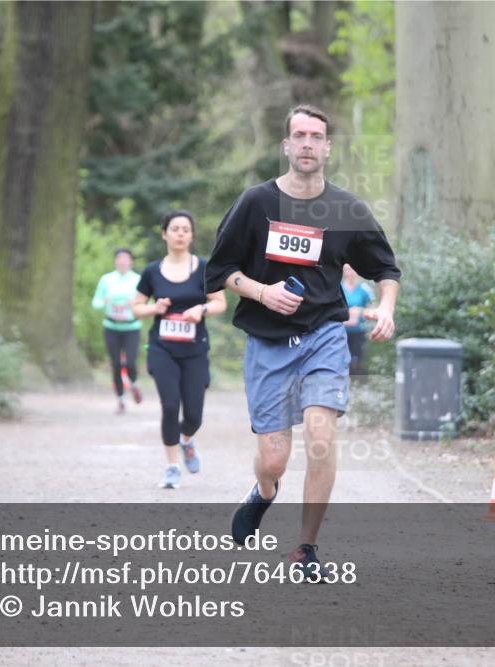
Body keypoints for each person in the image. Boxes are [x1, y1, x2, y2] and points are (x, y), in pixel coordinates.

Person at [205, 104, 400, 579]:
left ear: (327, 148)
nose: (308, 143)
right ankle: (264, 492)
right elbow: (220, 270)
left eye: (316, 136)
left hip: (324, 335)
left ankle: (305, 549)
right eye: (300, 135)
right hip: (268, 342)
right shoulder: (256, 203)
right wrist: (262, 292)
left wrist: (386, 307)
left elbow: (385, 268)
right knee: (274, 459)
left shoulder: (346, 209)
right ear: (286, 145)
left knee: (320, 438)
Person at [133, 210, 226, 489]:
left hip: (195, 350)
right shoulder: (152, 271)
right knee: (171, 405)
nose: (180, 234)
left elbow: (220, 302)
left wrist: (201, 310)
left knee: (194, 415)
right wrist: (155, 308)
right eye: (175, 229)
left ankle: (186, 440)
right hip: (162, 349)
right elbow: (136, 308)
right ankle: (172, 466)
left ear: (192, 235)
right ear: (165, 234)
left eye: (186, 229)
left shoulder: (204, 268)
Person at [91, 248, 143, 414]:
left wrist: (134, 304)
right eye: (119, 258)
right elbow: (96, 303)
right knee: (115, 365)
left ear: (131, 262)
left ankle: (134, 384)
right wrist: (104, 301)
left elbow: (146, 303)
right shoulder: (106, 279)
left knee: (130, 362)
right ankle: (120, 400)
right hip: (111, 327)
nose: (122, 261)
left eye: (126, 258)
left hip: (132, 327)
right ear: (115, 261)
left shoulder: (138, 280)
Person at [341, 263, 375, 375]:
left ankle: (355, 381)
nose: (350, 272)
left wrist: (359, 311)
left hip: (359, 331)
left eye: (352, 269)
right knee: (341, 360)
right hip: (341, 331)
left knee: (356, 360)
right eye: (347, 269)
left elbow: (373, 309)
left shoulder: (364, 289)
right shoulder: (338, 287)